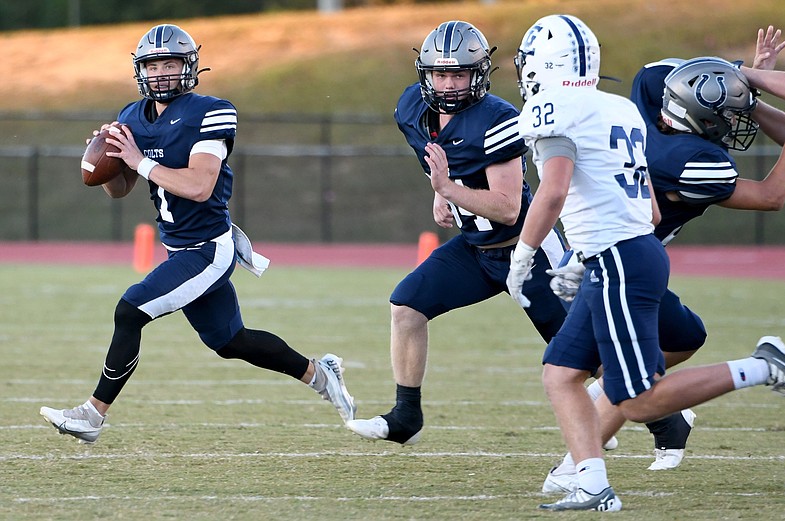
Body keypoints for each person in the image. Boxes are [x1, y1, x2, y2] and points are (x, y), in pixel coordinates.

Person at [507, 14, 785, 512]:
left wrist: (526, 254)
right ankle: (590, 481)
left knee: (638, 399)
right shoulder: (621, 103)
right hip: (622, 252)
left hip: (621, 258)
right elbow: (651, 208)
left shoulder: (651, 124)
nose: (732, 126)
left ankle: (759, 366)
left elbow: (555, 190)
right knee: (561, 371)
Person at [39, 24, 355, 444]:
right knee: (231, 341)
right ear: (140, 71)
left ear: (189, 67)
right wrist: (108, 161)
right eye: (154, 65)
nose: (163, 74)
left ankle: (92, 415)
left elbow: (199, 185)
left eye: (171, 64)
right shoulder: (132, 116)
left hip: (208, 249)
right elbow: (120, 190)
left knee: (130, 311)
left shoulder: (211, 111)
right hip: (178, 249)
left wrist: (139, 158)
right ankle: (321, 375)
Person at [345, 20, 568, 445]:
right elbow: (433, 161)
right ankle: (406, 417)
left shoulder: (498, 118)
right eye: (440, 74)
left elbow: (507, 208)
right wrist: (441, 195)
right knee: (406, 307)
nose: (448, 84)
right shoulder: (412, 108)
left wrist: (449, 189)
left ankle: (664, 419)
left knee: (579, 353)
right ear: (425, 74)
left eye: (459, 74)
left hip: (528, 250)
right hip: (475, 251)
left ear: (478, 74)